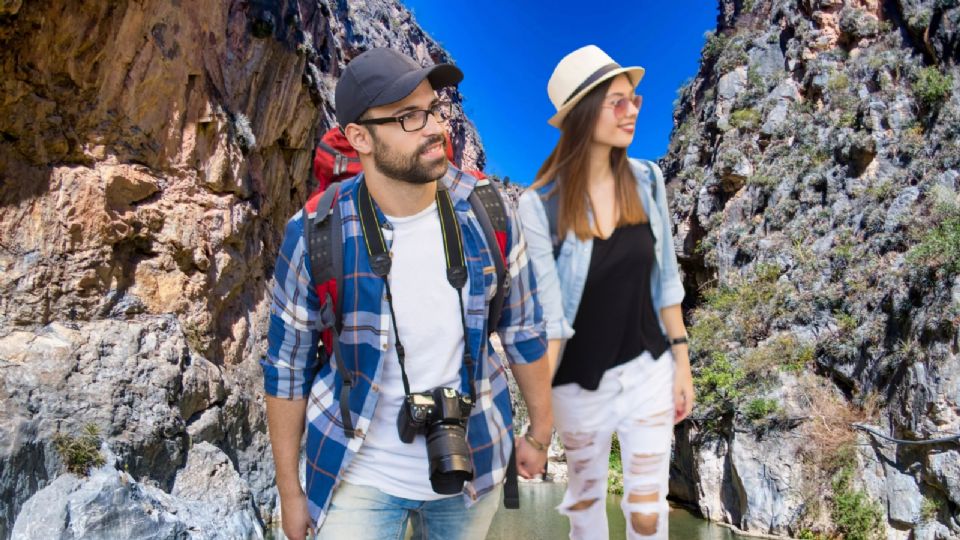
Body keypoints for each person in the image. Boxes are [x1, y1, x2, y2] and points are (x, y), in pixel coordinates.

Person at [261, 47, 553, 540]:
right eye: (409, 117)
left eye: (435, 109)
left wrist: (540, 435)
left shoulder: (491, 213)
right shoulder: (314, 230)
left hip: (473, 462)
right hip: (355, 473)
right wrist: (291, 494)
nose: (436, 127)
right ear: (360, 138)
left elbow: (524, 332)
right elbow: (286, 367)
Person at [516, 45, 695, 540]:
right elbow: (552, 318)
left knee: (646, 514)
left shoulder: (648, 179)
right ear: (580, 116)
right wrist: (540, 428)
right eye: (617, 101)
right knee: (587, 517)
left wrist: (682, 360)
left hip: (647, 369)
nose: (633, 110)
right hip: (579, 382)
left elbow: (665, 279)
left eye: (633, 99)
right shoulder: (539, 206)